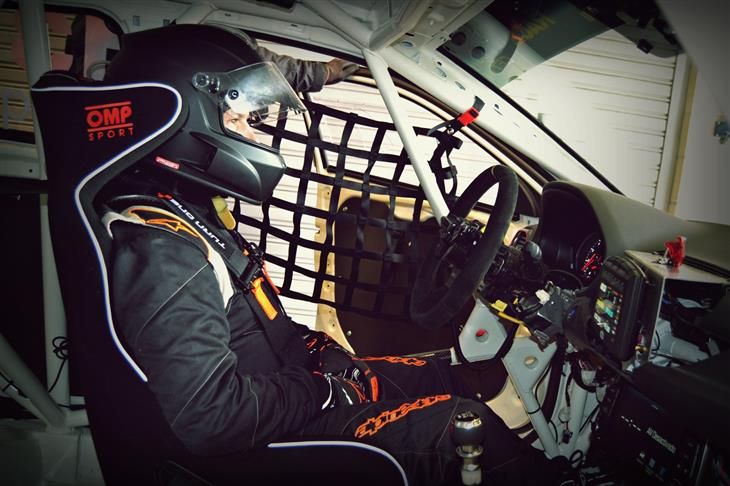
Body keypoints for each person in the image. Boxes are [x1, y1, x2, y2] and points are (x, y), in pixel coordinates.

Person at [101, 23, 565, 485]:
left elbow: (250, 331)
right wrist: (322, 392)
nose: (254, 138)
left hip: (288, 387)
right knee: (463, 427)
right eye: (238, 121)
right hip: (270, 444)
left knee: (448, 375)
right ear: (186, 123)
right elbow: (211, 418)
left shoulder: (191, 213)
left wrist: (318, 353)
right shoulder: (165, 251)